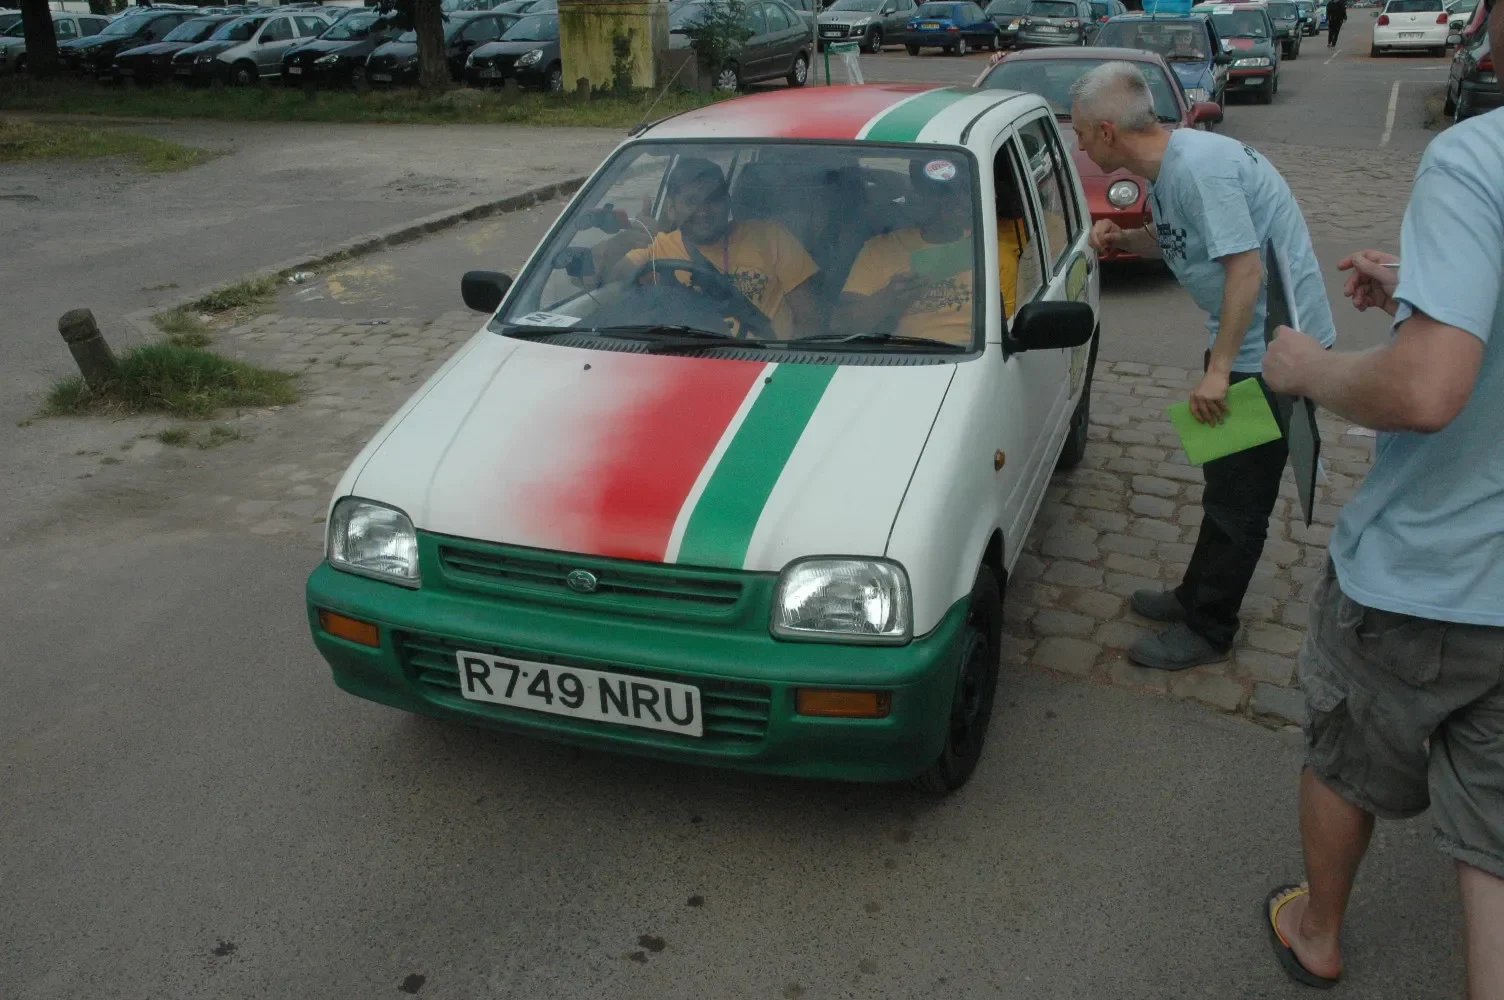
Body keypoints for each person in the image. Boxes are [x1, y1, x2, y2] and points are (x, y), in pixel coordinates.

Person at [1258, 0, 1503, 990]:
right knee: (1493, 842)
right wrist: (1430, 284)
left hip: (1428, 573)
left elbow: (1424, 389)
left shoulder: (1477, 158)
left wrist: (1309, 369)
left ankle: (1317, 930)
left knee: (1342, 750)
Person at [1070, 61, 1336, 671]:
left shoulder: (1198, 169)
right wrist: (1126, 241)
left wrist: (1219, 372)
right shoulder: (1170, 167)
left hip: (1268, 357)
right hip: (1239, 345)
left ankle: (1210, 628)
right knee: (1224, 482)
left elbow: (1246, 270)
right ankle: (1195, 593)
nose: (1077, 142)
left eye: (1082, 132)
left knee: (1241, 500)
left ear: (1107, 131)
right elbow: (1186, 241)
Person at [609, 158, 821, 339]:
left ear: (728, 203)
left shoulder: (771, 237)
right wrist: (620, 243)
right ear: (672, 210)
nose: (704, 211)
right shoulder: (655, 249)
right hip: (685, 361)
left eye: (713, 199)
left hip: (766, 366)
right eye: (692, 201)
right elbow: (606, 286)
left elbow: (809, 319)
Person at [837, 157, 981, 345]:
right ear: (918, 194)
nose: (955, 200)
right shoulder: (882, 250)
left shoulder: (984, 242)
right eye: (941, 192)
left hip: (976, 358)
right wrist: (889, 297)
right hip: (903, 359)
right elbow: (841, 326)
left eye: (961, 190)